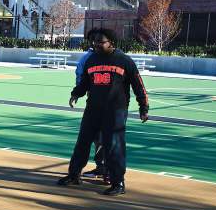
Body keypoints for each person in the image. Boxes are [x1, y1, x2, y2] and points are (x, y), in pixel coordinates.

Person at [57, 28, 150, 196]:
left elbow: (138, 85)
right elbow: (85, 82)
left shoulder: (124, 61)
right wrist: (75, 93)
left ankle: (118, 183)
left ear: (111, 42)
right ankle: (74, 175)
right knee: (82, 142)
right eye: (95, 42)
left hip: (115, 111)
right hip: (93, 109)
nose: (97, 45)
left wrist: (144, 107)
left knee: (114, 146)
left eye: (101, 42)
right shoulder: (91, 60)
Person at [74, 31, 106, 182]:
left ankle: (101, 168)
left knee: (91, 138)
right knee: (101, 138)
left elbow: (80, 78)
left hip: (97, 104)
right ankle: (104, 169)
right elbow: (81, 79)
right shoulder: (92, 58)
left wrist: (78, 92)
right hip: (101, 103)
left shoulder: (88, 59)